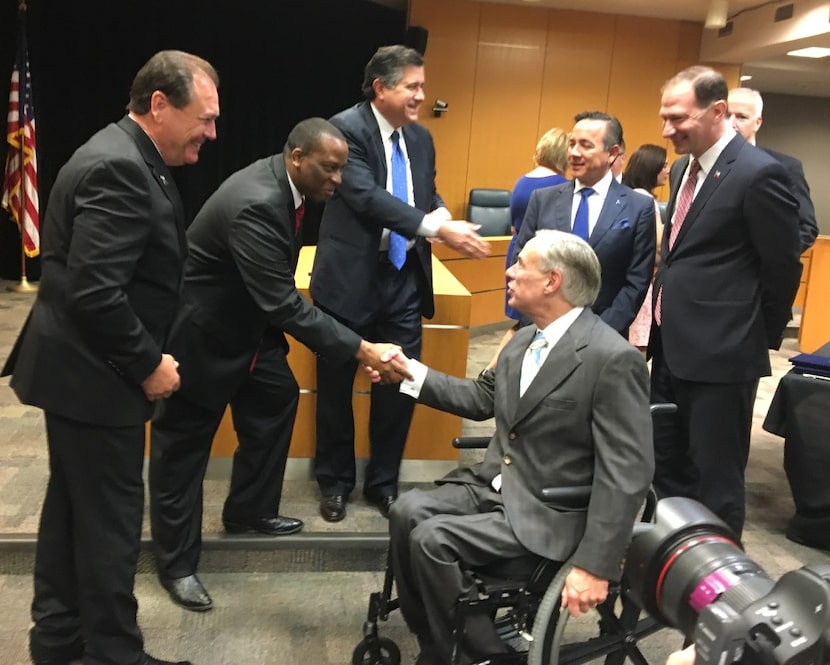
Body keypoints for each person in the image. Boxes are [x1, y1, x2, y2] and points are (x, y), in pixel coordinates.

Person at [0, 50, 219, 665]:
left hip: (79, 375)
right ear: (158, 104)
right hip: (96, 381)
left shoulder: (127, 153)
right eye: (203, 118)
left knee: (72, 514)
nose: (211, 132)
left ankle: (59, 640)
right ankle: (114, 654)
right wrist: (150, 364)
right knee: (110, 528)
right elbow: (96, 292)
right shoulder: (120, 166)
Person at [148, 118, 411, 612]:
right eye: (328, 169)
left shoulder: (286, 187)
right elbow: (283, 304)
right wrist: (362, 349)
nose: (337, 180)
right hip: (204, 337)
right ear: (297, 158)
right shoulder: (256, 202)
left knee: (277, 397)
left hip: (248, 332)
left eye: (342, 170)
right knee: (183, 448)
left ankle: (248, 509)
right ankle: (177, 564)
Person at [387, 229, 654, 665]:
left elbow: (627, 471)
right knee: (406, 511)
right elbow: (478, 399)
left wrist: (595, 566)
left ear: (552, 281)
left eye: (520, 265)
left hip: (548, 508)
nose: (509, 271)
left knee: (432, 540)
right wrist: (407, 372)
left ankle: (483, 655)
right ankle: (440, 642)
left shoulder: (611, 358)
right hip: (497, 485)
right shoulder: (523, 342)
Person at [309, 45, 490, 523]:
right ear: (381, 87)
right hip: (350, 282)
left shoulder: (422, 138)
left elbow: (425, 191)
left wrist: (443, 213)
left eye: (422, 86)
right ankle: (335, 481)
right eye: (413, 86)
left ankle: (383, 483)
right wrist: (435, 228)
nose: (421, 95)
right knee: (335, 389)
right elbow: (366, 197)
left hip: (403, 280)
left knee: (401, 384)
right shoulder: (344, 130)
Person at [652, 66, 802, 538]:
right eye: (663, 117)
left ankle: (718, 589)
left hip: (724, 357)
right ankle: (672, 569)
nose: (666, 130)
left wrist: (753, 338)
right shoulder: (682, 168)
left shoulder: (760, 174)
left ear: (718, 112)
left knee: (715, 482)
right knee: (666, 469)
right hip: (670, 348)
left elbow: (782, 267)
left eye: (678, 118)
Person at [515, 111, 655, 338]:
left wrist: (597, 334)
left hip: (602, 338)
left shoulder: (638, 208)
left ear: (612, 153)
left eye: (585, 145)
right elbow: (521, 263)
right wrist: (534, 324)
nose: (574, 153)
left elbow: (636, 281)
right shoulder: (543, 200)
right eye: (572, 144)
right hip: (541, 332)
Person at [727, 87, 818, 253]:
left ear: (757, 123)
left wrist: (764, 261)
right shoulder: (698, 162)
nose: (731, 123)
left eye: (741, 117)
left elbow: (806, 228)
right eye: (726, 115)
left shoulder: (784, 167)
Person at [505, 127, 569, 320]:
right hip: (541, 260)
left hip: (518, 252)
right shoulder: (560, 186)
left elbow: (514, 227)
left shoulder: (522, 181)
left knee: (520, 322)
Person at [622, 143, 669, 353]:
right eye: (664, 165)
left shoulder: (626, 195)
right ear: (652, 167)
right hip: (641, 280)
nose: (668, 170)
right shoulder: (645, 200)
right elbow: (659, 246)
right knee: (637, 351)